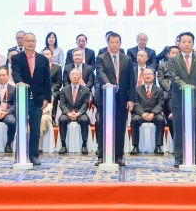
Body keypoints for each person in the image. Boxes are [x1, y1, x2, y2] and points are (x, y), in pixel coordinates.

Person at [168, 32, 196, 168]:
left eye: (189, 42)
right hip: (179, 101)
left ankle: (195, 158)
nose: (186, 44)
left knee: (195, 130)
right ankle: (179, 158)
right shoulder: (173, 60)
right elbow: (173, 76)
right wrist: (185, 86)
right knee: (179, 130)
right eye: (184, 42)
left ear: (193, 43)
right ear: (179, 43)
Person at [11, 33, 53, 166]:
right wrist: (20, 83)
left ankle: (34, 156)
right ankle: (20, 154)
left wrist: (47, 97)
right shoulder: (17, 58)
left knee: (35, 129)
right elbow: (16, 73)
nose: (30, 43)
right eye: (28, 41)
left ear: (36, 42)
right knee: (21, 128)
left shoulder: (43, 59)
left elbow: (47, 79)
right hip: (22, 97)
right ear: (23, 42)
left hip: (38, 98)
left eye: (32, 41)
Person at [94, 32, 135, 166]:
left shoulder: (127, 59)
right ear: (108, 43)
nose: (114, 45)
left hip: (121, 98)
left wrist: (131, 99)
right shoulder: (101, 58)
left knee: (120, 128)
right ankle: (102, 155)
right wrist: (108, 84)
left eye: (117, 42)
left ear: (120, 43)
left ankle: (118, 156)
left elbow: (131, 80)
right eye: (112, 42)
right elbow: (100, 74)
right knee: (103, 127)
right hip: (106, 97)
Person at [130, 68, 165, 155]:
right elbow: (136, 103)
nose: (148, 76)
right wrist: (142, 113)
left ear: (154, 76)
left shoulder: (159, 90)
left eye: (149, 74)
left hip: (154, 114)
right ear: (142, 76)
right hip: (141, 113)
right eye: (145, 74)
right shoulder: (137, 89)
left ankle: (158, 146)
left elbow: (161, 104)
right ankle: (135, 146)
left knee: (161, 120)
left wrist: (153, 113)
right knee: (134, 120)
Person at [57, 67, 91, 155]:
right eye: (73, 75)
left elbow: (85, 104)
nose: (75, 76)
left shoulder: (86, 90)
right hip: (67, 112)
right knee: (62, 120)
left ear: (80, 77)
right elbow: (62, 104)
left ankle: (84, 145)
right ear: (69, 77)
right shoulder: (64, 90)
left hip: (80, 112)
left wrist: (78, 113)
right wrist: (68, 113)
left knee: (85, 120)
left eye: (77, 75)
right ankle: (63, 145)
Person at [156, 45, 179, 147]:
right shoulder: (162, 66)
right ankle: (168, 116)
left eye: (177, 53)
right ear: (168, 55)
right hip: (167, 88)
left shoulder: (182, 65)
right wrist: (169, 88)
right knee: (164, 97)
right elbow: (161, 79)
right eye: (173, 53)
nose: (175, 55)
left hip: (179, 89)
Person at [41, 48, 62, 150]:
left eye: (48, 54)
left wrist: (50, 89)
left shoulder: (57, 68)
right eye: (44, 54)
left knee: (54, 95)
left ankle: (53, 118)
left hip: (53, 89)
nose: (46, 56)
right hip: (41, 90)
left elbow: (59, 82)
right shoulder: (38, 67)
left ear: (52, 57)